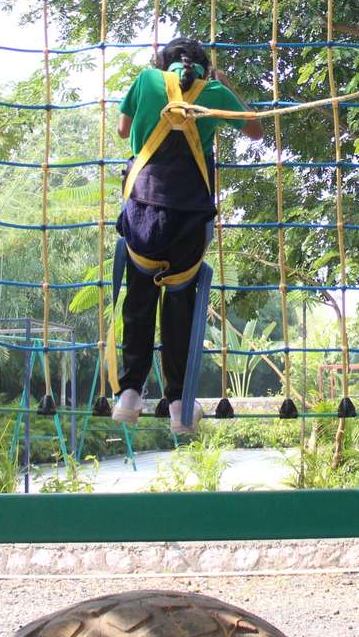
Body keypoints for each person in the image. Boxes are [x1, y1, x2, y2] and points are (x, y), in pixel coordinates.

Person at [111, 37, 263, 434]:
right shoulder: (211, 92)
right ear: (204, 68)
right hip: (190, 218)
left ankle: (129, 392)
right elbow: (255, 131)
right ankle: (180, 402)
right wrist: (224, 86)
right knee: (180, 311)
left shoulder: (146, 81)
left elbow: (122, 128)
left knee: (139, 302)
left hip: (143, 211)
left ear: (163, 65)